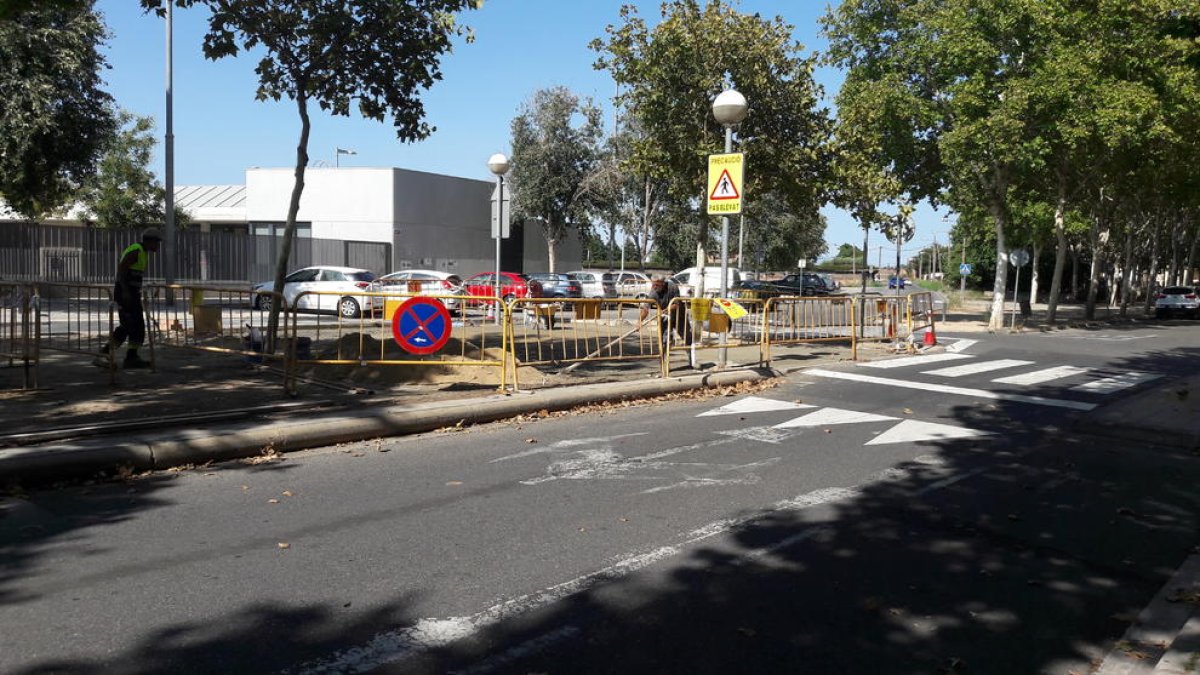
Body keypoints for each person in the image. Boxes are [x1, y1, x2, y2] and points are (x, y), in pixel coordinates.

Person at [97, 227, 162, 369]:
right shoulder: (136, 250)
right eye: (156, 242)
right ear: (150, 241)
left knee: (138, 326)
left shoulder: (143, 252)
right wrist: (125, 292)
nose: (158, 245)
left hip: (133, 293)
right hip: (125, 294)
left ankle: (132, 357)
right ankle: (104, 354)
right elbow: (121, 271)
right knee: (127, 325)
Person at [640, 275, 692, 349]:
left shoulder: (672, 287)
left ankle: (691, 357)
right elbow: (646, 307)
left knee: (687, 337)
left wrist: (665, 310)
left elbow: (676, 304)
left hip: (679, 316)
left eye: (657, 285)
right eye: (653, 284)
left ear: (663, 283)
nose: (654, 287)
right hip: (665, 317)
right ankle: (663, 358)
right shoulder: (653, 292)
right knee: (664, 341)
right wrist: (639, 321)